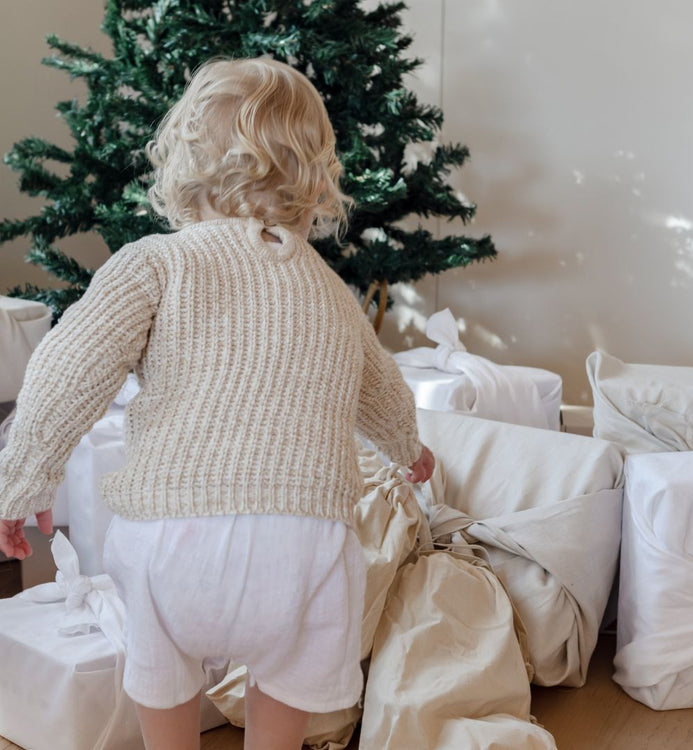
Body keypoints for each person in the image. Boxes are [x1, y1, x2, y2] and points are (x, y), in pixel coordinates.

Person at [0, 57, 434, 750]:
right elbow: (379, 388)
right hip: (305, 546)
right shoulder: (326, 285)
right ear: (315, 177)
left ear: (183, 159)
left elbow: (68, 367)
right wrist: (410, 450)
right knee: (286, 689)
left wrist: (25, 477)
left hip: (176, 541)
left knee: (161, 674)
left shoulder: (157, 261)